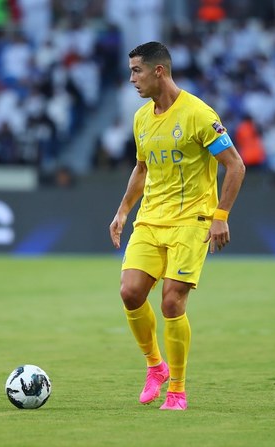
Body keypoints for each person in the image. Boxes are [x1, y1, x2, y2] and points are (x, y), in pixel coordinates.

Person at [109, 42, 245, 411]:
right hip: (151, 219)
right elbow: (142, 167)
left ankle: (178, 391)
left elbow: (235, 165)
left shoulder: (199, 114)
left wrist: (220, 216)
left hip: (191, 220)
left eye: (137, 70)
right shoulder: (141, 118)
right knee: (130, 292)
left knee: (171, 301)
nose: (132, 79)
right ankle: (156, 366)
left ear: (159, 71)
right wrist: (122, 211)